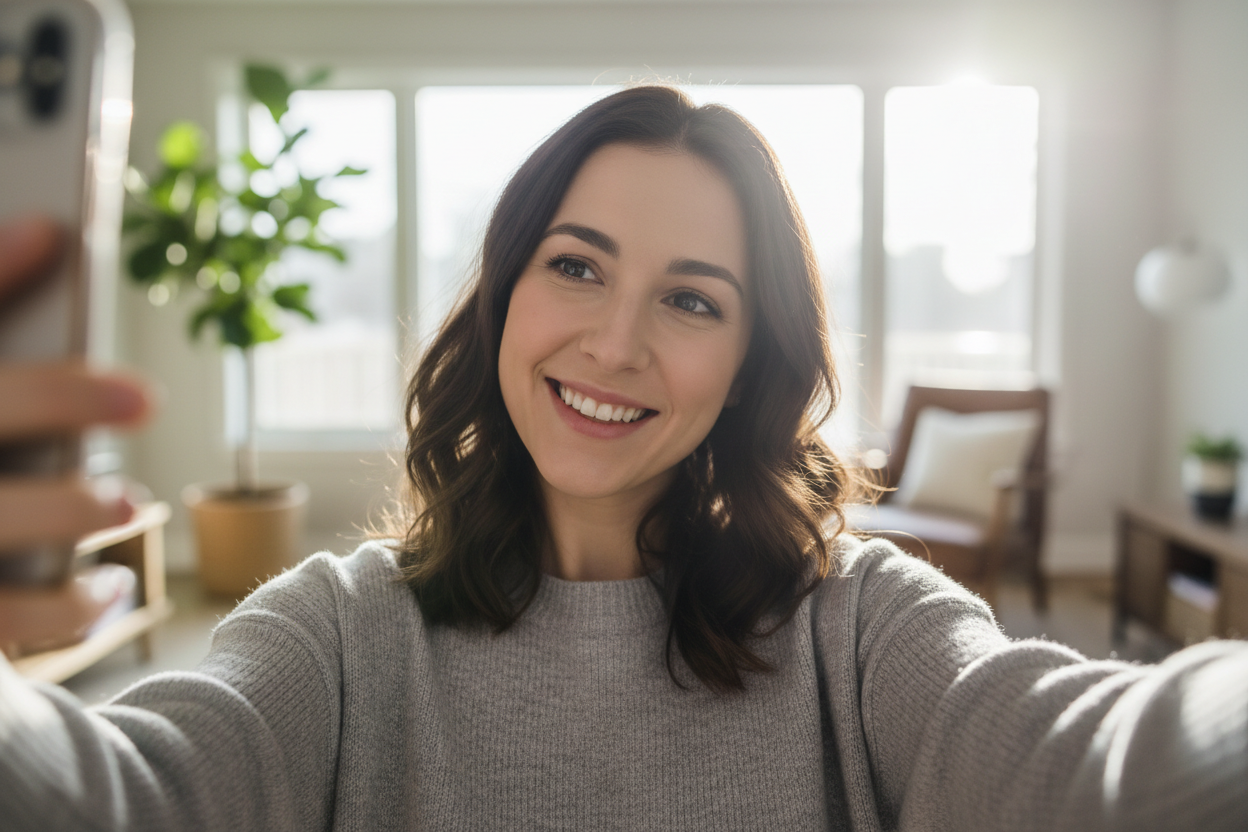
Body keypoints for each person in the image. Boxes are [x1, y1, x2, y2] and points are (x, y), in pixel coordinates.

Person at [1, 85, 1246, 831]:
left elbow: (1108, 774)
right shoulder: (337, 633)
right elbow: (112, 798)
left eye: (693, 301)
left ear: (754, 362)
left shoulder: (862, 626)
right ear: (506, 296)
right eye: (577, 265)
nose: (614, 343)